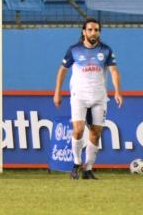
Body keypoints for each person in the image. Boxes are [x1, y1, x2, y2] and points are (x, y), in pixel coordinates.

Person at [53, 18, 123, 180]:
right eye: (90, 30)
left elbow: (114, 71)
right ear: (84, 32)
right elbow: (62, 70)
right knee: (78, 130)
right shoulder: (74, 50)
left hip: (99, 97)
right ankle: (77, 163)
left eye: (96, 30)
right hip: (79, 96)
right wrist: (57, 92)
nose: (93, 33)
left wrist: (118, 92)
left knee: (96, 133)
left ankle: (88, 168)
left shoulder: (106, 50)